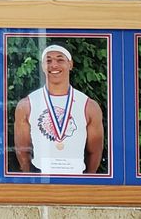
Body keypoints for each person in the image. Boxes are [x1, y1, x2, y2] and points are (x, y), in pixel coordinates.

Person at [13, 44, 105, 174]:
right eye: (48, 60)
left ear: (70, 64)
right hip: (41, 179)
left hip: (77, 180)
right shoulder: (27, 105)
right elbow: (22, 151)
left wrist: (86, 182)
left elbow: (95, 151)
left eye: (60, 59)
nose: (54, 65)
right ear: (43, 66)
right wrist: (31, 180)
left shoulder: (89, 106)